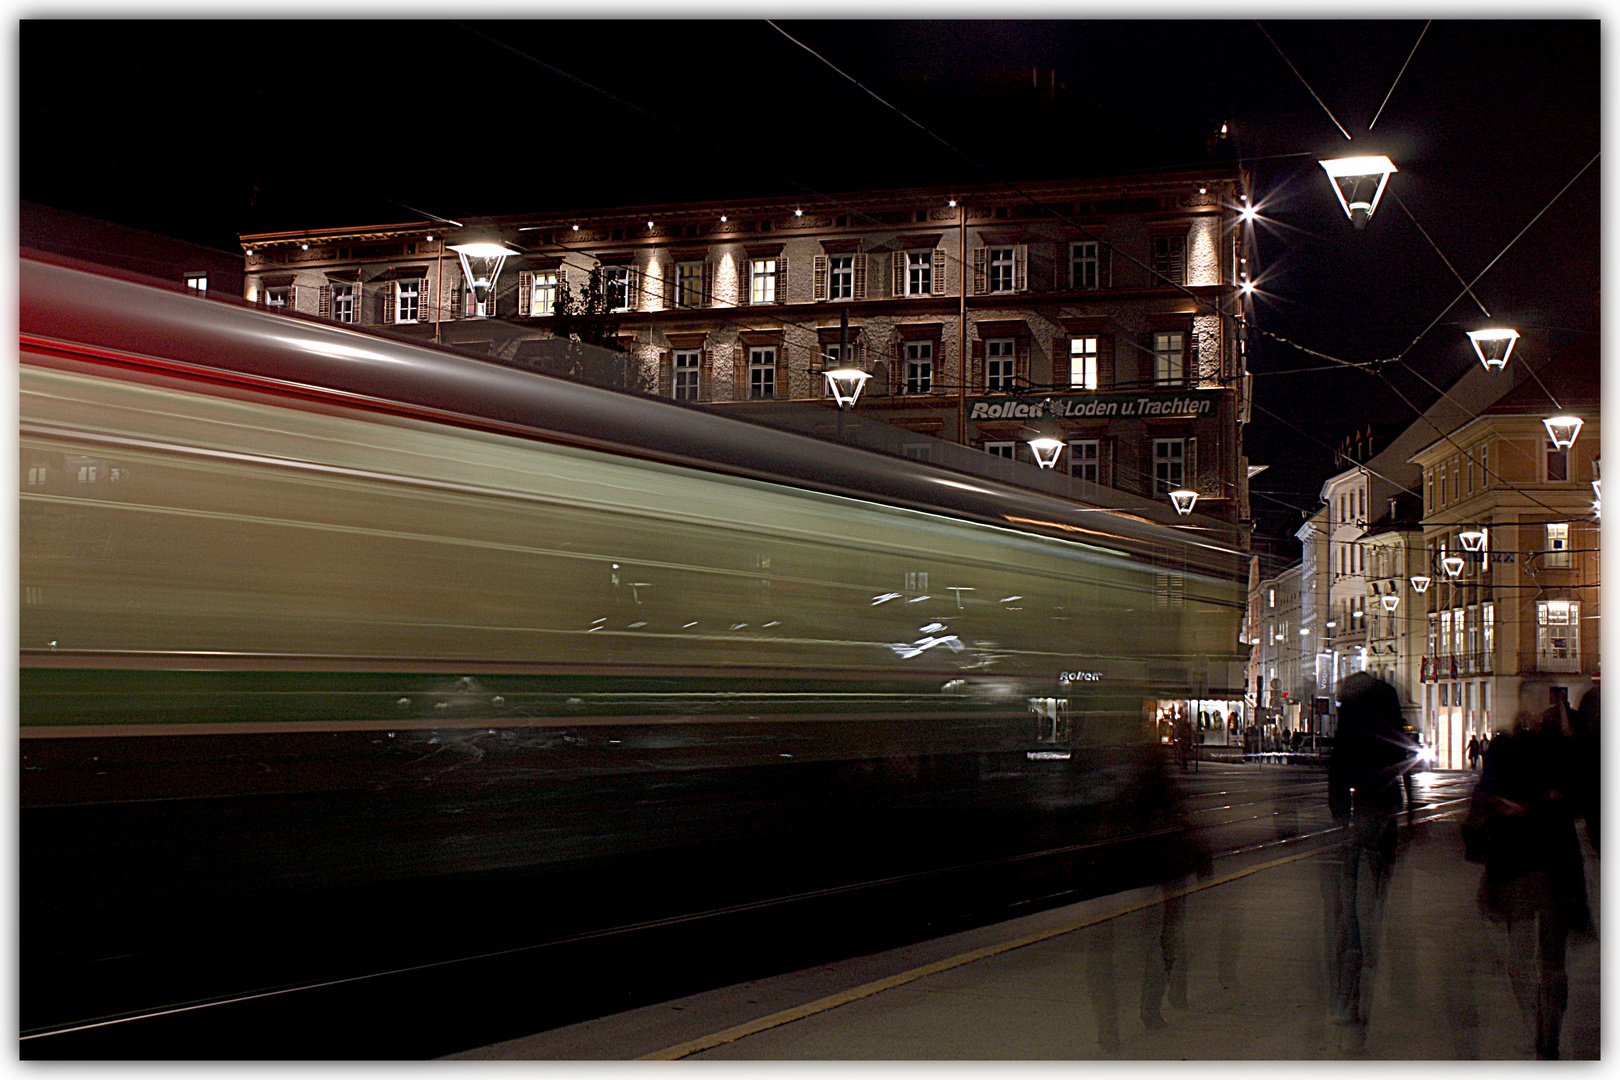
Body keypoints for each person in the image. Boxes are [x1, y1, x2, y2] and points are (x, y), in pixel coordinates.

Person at [1469, 682, 1592, 1058]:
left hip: (1516, 865)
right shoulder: (1562, 749)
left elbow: (1483, 797)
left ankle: (1533, 1024)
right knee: (1552, 961)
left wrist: (1514, 809)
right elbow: (1578, 802)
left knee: (1520, 957)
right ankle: (1548, 1034)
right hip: (1555, 865)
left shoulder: (1506, 746)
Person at [1325, 672, 1415, 1038]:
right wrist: (1409, 809)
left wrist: (1339, 814)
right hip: (1384, 815)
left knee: (1351, 910)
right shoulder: (1388, 707)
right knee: (1377, 903)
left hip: (1360, 812)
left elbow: (1337, 766)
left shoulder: (1351, 717)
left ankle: (1351, 994)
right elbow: (1403, 759)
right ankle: (1380, 984)